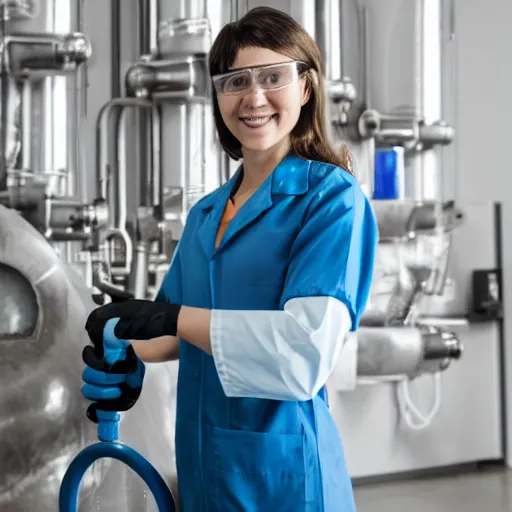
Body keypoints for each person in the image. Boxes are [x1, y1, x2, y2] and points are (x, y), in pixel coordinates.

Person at [81, 6, 378, 511]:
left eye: (272, 77)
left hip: (284, 482)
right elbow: (171, 328)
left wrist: (172, 318)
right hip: (203, 471)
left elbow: (303, 354)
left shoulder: (331, 199)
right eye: (235, 81)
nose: (254, 97)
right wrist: (128, 354)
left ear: (305, 88)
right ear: (218, 97)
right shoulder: (205, 214)